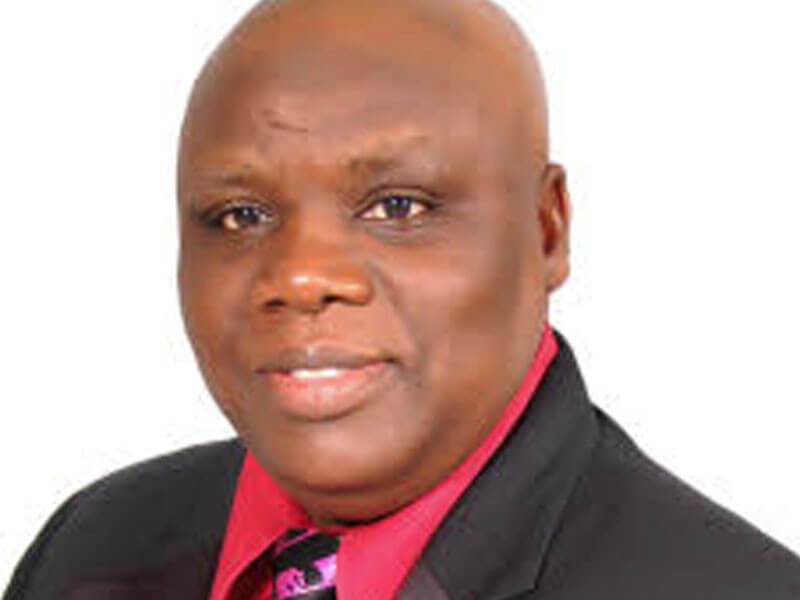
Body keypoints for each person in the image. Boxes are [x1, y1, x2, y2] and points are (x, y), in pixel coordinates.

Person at [4, 0, 799, 598]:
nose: (302, 277)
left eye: (398, 206)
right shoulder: (87, 550)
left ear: (546, 231)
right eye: (240, 216)